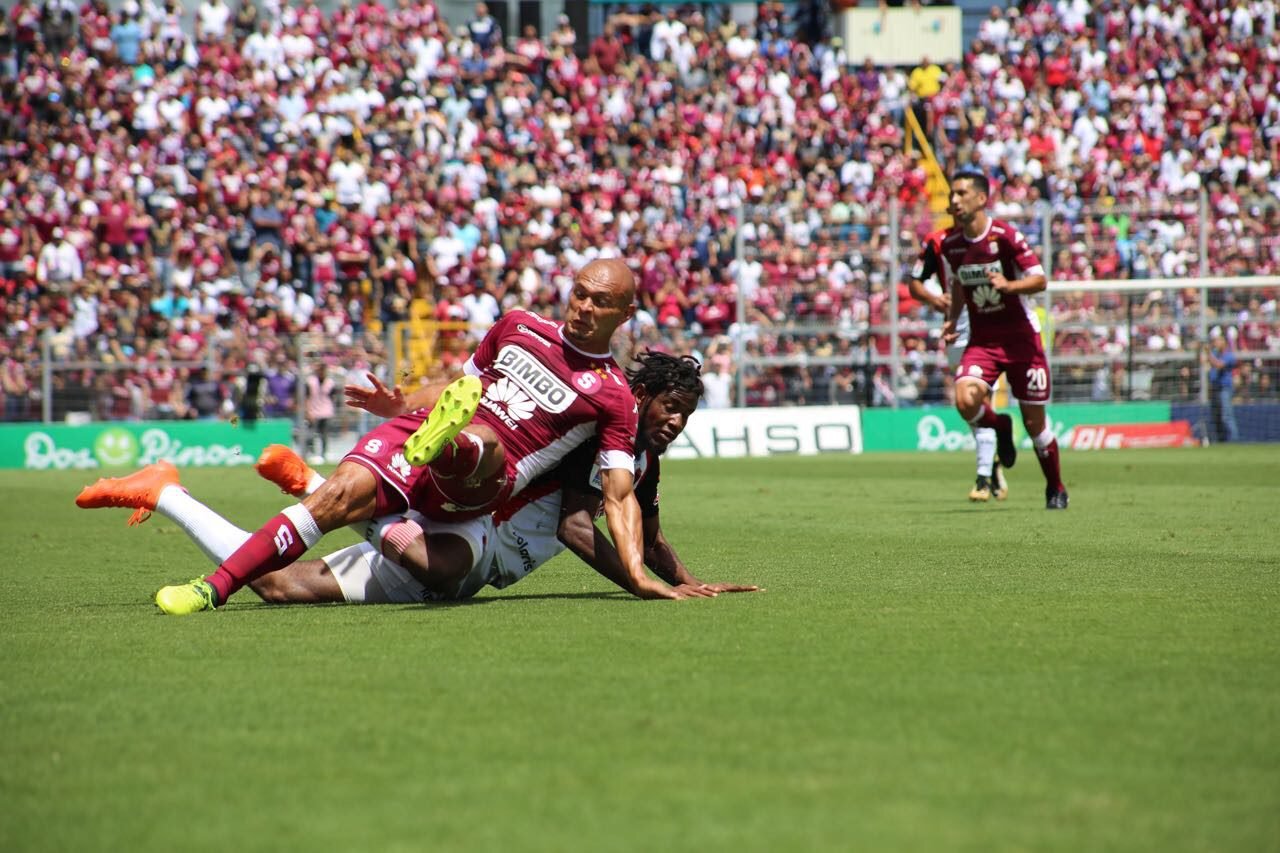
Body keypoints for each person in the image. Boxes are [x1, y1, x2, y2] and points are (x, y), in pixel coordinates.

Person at [120, 259, 673, 613]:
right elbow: (462, 384)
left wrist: (636, 575)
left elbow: (618, 494)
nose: (582, 307)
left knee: (484, 454)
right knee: (301, 550)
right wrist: (403, 402)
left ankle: (435, 449)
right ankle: (208, 584)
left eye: (599, 302)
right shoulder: (518, 325)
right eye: (579, 293)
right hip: (426, 444)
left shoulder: (611, 393)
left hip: (483, 485)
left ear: (625, 314)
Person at [74, 353, 758, 604]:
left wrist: (685, 578)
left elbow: (650, 528)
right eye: (671, 407)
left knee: (278, 585)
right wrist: (643, 585)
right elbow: (582, 525)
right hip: (469, 529)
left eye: (686, 414)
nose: (676, 421)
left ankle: (168, 489)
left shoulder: (642, 458)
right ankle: (321, 487)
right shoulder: (596, 439)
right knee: (435, 566)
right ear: (643, 398)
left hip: (463, 533)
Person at [941, 171, 1068, 510]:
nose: (953, 201)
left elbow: (1039, 279)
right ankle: (999, 425)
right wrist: (953, 318)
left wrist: (1010, 287)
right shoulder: (951, 245)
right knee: (965, 400)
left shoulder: (1006, 237)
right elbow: (956, 283)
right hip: (983, 341)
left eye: (961, 194)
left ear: (981, 199)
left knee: (1035, 425)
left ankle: (1055, 487)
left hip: (1021, 342)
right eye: (952, 194)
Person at [907, 222, 1007, 502]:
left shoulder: (995, 236)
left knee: (981, 398)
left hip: (990, 324)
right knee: (969, 405)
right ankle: (992, 461)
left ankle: (983, 477)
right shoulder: (938, 242)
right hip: (958, 329)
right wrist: (936, 300)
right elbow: (914, 283)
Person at [1202, 331, 1238, 443]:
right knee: (1216, 417)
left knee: (1226, 416)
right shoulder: (1215, 353)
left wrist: (1208, 353)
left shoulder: (1229, 355)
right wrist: (1200, 349)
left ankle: (1233, 441)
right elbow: (1202, 361)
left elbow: (1218, 364)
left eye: (1217, 340)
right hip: (1215, 388)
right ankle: (1220, 441)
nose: (1215, 343)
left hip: (1224, 388)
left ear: (1224, 342)